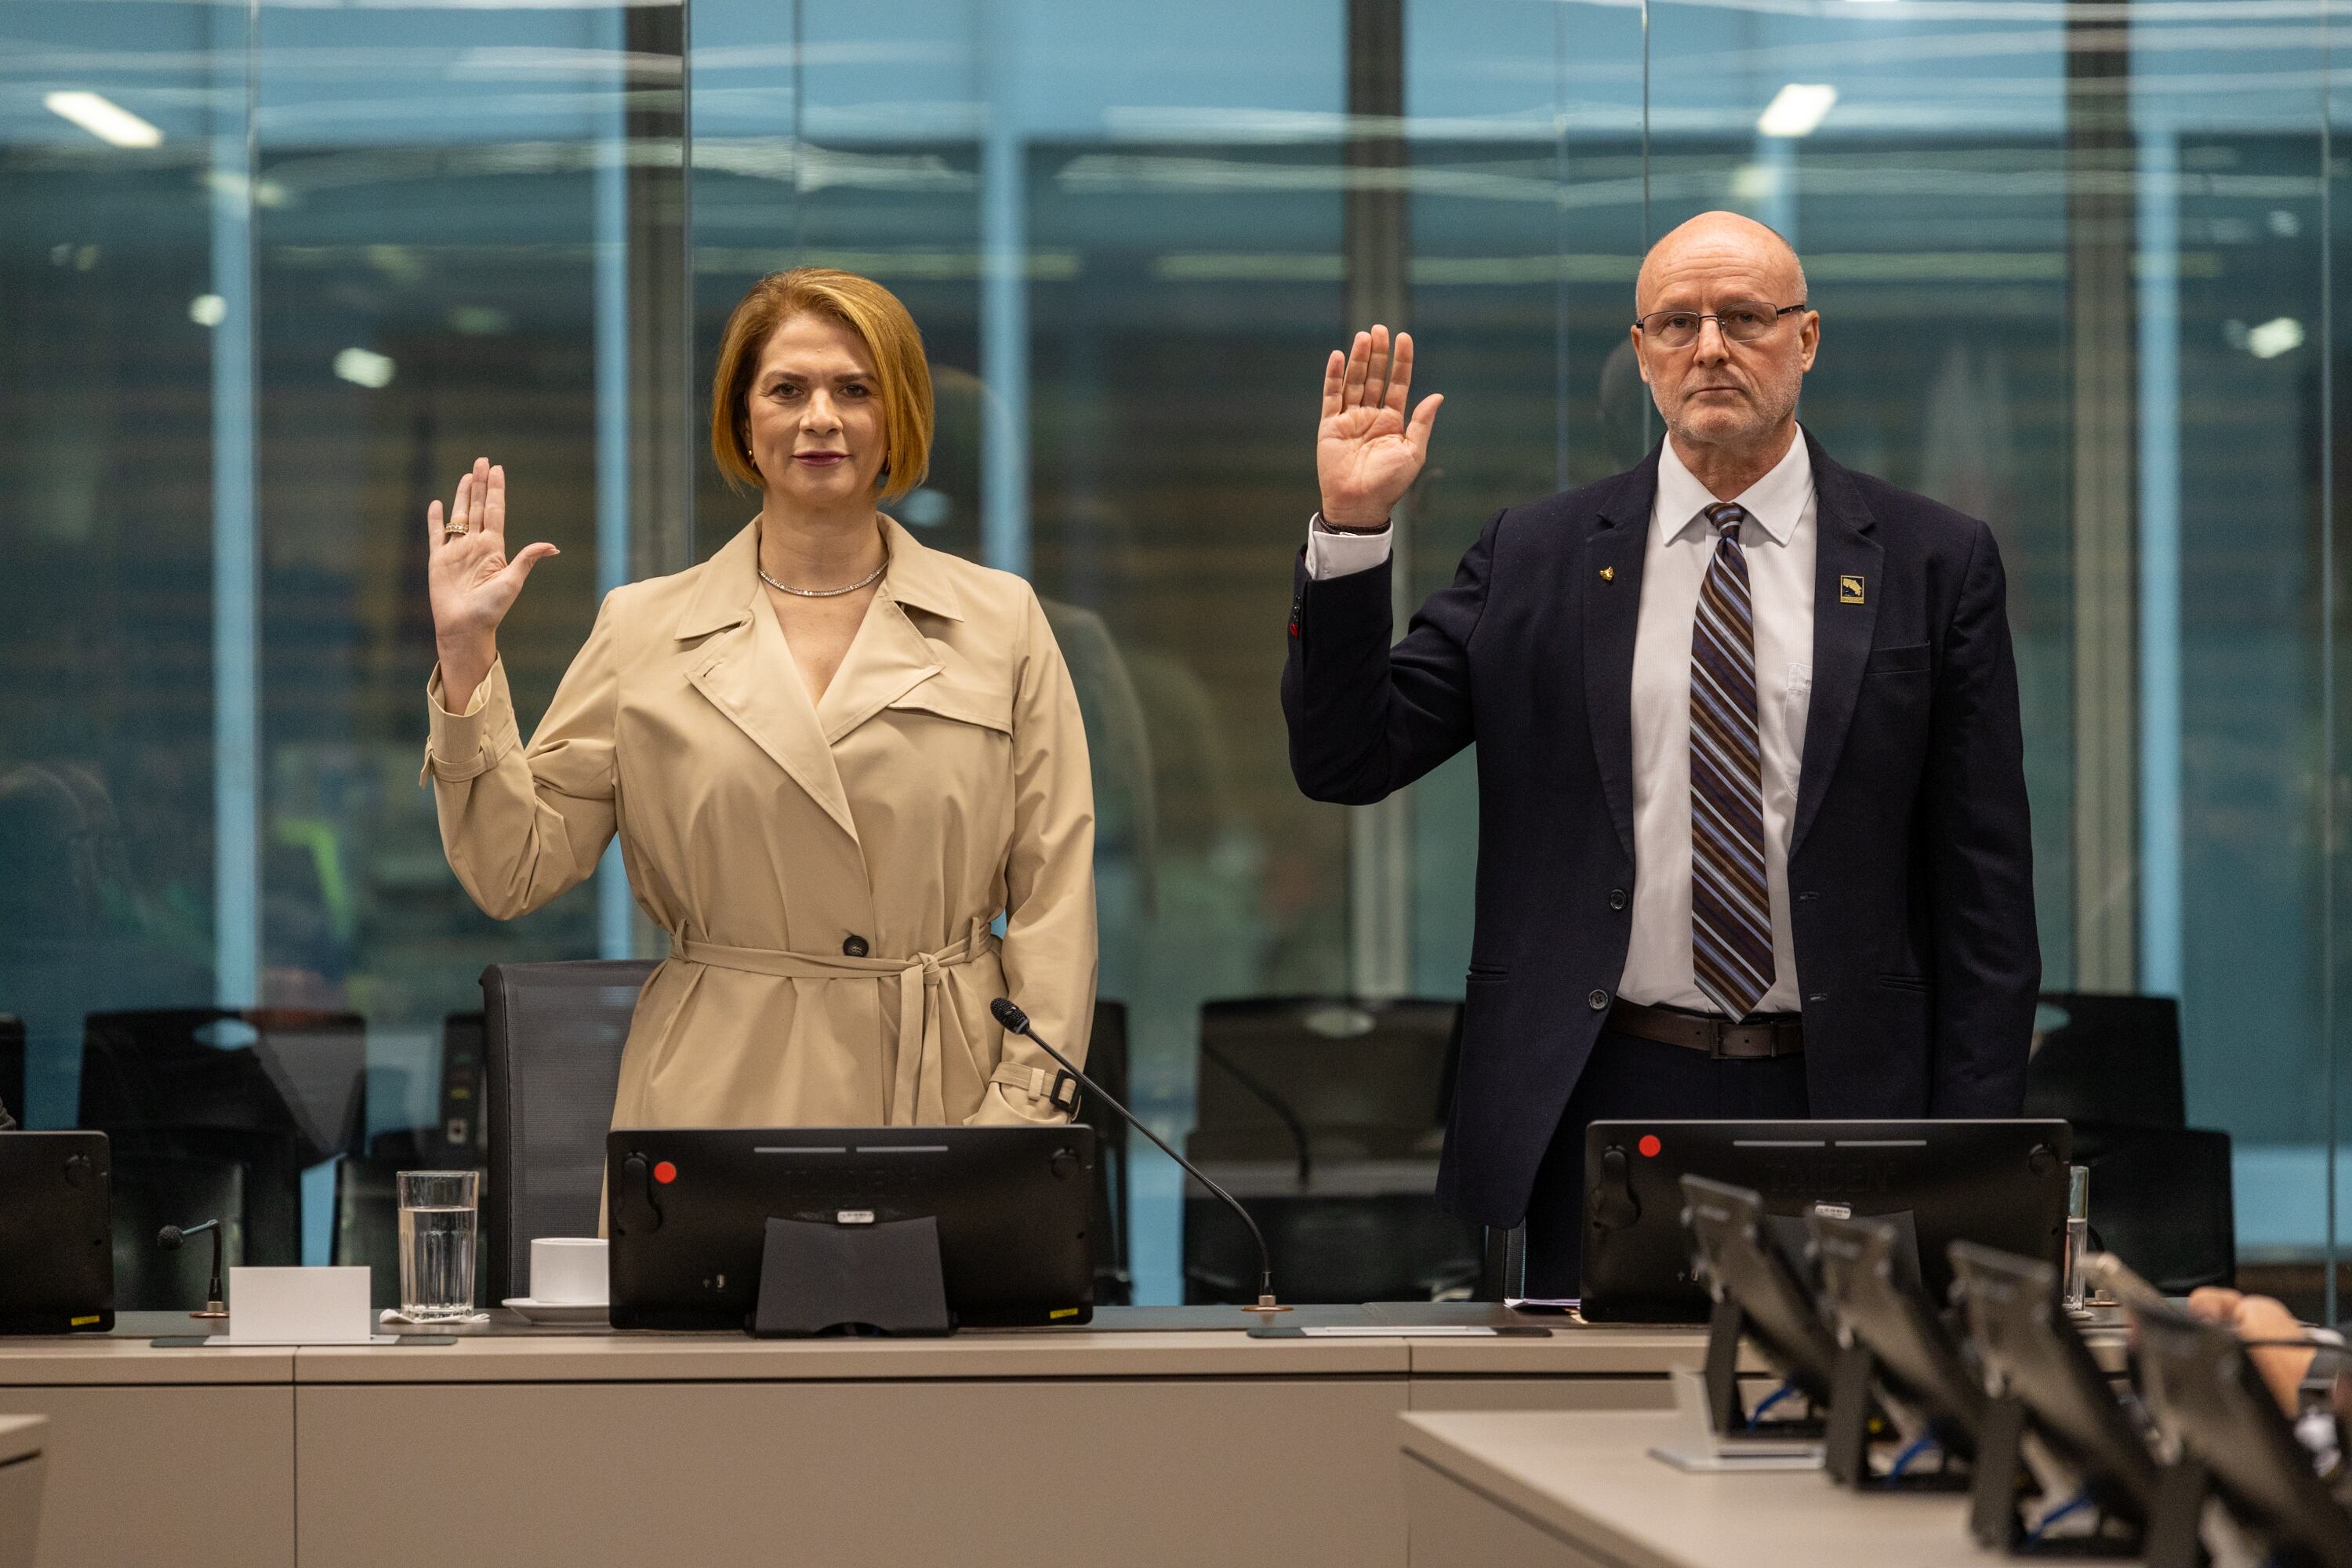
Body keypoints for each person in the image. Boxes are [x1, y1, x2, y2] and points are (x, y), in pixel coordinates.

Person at [1283, 211, 2038, 1295]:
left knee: (1833, 1395)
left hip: (1842, 1093)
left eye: (1745, 318)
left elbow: (1986, 899)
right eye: (1678, 323)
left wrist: (1971, 1165)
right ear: (1641, 354)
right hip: (1597, 1088)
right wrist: (1353, 531)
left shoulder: (1934, 560)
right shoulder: (1535, 555)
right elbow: (1347, 758)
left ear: (1807, 338)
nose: (1710, 348)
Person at [422, 268, 1097, 1133]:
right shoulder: (643, 629)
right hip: (716, 1096)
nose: (821, 417)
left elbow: (1054, 891)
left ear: (899, 416)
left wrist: (1026, 1103)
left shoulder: (1000, 621)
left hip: (951, 1097)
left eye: (855, 389)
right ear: (744, 420)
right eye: (787, 389)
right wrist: (466, 655)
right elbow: (513, 868)